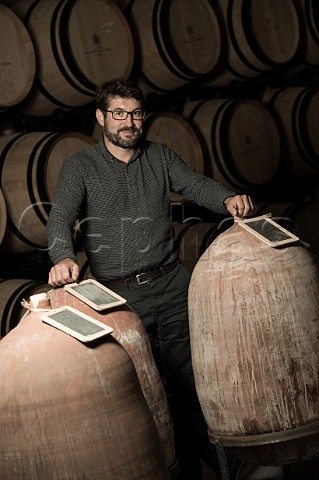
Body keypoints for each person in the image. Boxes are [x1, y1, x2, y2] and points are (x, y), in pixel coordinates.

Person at [46, 78, 255, 479]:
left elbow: (193, 183)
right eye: (119, 113)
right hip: (119, 300)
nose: (129, 122)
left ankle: (223, 468)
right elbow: (60, 218)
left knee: (193, 383)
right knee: (145, 395)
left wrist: (226, 198)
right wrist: (61, 257)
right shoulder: (80, 166)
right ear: (101, 117)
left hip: (174, 286)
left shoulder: (158, 155)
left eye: (136, 113)